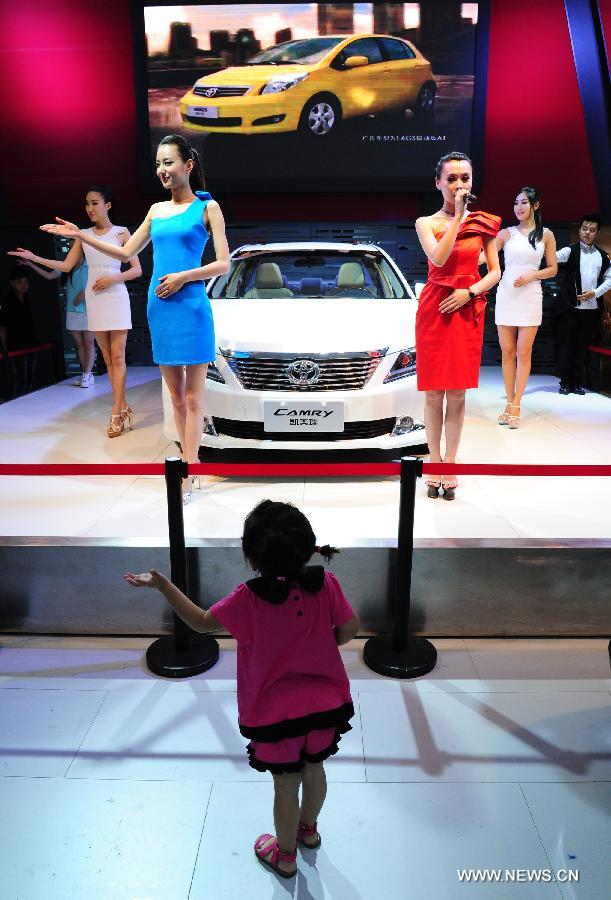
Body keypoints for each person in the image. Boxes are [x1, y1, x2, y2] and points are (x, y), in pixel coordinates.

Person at [124, 500, 359, 879]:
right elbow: (349, 630)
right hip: (326, 703)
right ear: (306, 546)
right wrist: (321, 643)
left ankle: (284, 857)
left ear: (253, 558)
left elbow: (201, 622)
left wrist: (164, 586)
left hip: (272, 715)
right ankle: (308, 833)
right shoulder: (326, 584)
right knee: (315, 769)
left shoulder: (247, 600)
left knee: (286, 785)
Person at [39, 135, 230, 502]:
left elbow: (224, 262)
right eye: (158, 163)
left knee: (193, 399)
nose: (162, 170)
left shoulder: (208, 208)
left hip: (191, 307)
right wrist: (81, 234)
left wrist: (183, 277)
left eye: (169, 162)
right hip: (160, 310)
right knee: (174, 399)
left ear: (188, 166)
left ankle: (190, 469)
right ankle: (187, 462)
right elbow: (126, 251)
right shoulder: (156, 211)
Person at [9, 186, 141, 433]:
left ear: (107, 205)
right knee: (108, 359)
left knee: (118, 356)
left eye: (94, 203)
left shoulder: (122, 232)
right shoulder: (83, 235)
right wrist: (34, 257)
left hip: (115, 296)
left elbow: (137, 269)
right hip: (95, 298)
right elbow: (66, 265)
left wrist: (113, 279)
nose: (89, 208)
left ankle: (115, 413)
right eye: (86, 204)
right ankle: (122, 407)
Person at [415, 151, 501, 500]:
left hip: (466, 308)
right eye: (451, 179)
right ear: (438, 183)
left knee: (459, 393)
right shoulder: (426, 222)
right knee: (434, 393)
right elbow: (438, 257)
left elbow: (494, 271)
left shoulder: (486, 223)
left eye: (464, 178)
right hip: (435, 309)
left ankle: (450, 463)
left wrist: (470, 292)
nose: (459, 185)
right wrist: (460, 217)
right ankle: (434, 461)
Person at [494, 187, 557, 428]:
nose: (518, 207)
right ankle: (509, 403)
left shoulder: (546, 235)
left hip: (530, 296)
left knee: (523, 352)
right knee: (507, 352)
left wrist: (532, 275)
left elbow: (552, 268)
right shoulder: (505, 234)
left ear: (535, 206)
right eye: (516, 203)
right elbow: (484, 257)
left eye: (523, 203)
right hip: (507, 296)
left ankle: (517, 403)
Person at [555, 212, 611, 395]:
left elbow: (609, 280)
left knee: (582, 347)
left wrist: (594, 293)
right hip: (569, 308)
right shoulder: (569, 251)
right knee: (566, 345)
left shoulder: (603, 256)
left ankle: (577, 383)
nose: (587, 232)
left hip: (591, 310)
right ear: (579, 230)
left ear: (596, 233)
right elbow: (552, 259)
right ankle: (564, 382)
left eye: (592, 230)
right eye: (585, 228)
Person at [19, 255, 96, 388]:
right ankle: (86, 374)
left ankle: (87, 374)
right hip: (72, 311)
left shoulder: (91, 265)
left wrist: (84, 294)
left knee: (89, 343)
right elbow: (49, 275)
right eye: (71, 248)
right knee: (80, 345)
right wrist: (31, 264)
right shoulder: (67, 266)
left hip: (89, 311)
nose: (73, 251)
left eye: (75, 247)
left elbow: (99, 282)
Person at [0, 266, 39, 396]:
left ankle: (29, 406)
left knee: (31, 379)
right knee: (19, 378)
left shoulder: (28, 298)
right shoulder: (7, 301)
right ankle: (18, 407)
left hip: (31, 343)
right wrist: (5, 347)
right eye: (20, 282)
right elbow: (3, 326)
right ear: (12, 282)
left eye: (25, 282)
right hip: (16, 346)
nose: (23, 285)